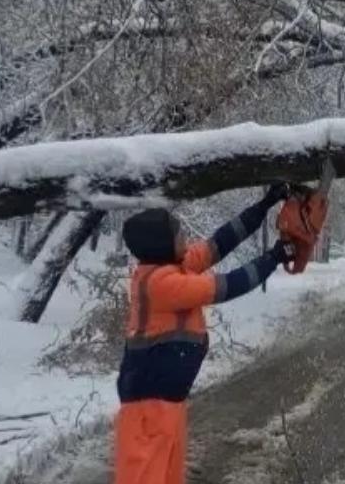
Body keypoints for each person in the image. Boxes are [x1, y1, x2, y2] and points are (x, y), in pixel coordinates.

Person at [114, 185, 296, 484]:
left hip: (166, 400)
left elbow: (219, 243)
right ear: (161, 244)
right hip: (148, 406)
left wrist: (264, 206)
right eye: (178, 235)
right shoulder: (161, 284)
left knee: (168, 476)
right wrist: (274, 257)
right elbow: (228, 286)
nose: (185, 238)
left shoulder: (174, 267)